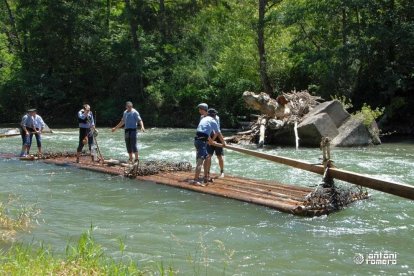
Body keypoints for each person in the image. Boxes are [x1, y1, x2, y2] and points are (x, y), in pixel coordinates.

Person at [193, 107, 226, 185]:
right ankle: (196, 180)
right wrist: (224, 143)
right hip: (201, 141)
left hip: (197, 140)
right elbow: (219, 133)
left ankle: (206, 176)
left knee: (207, 157)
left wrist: (211, 141)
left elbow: (203, 132)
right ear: (214, 116)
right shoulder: (213, 121)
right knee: (200, 161)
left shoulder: (204, 119)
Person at [206, 108, 225, 178]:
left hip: (217, 137)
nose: (215, 116)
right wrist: (210, 141)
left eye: (215, 115)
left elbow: (217, 132)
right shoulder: (205, 119)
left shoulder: (216, 118)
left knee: (219, 156)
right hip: (209, 137)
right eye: (213, 115)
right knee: (208, 156)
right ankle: (207, 172)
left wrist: (212, 141)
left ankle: (222, 172)